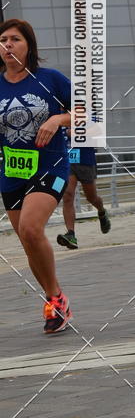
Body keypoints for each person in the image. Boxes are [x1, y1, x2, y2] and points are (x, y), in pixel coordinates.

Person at [0, 18, 72, 333]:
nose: (7, 45)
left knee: (31, 227)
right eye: (3, 40)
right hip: (13, 171)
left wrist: (58, 118)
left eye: (14, 39)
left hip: (51, 165)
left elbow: (90, 111)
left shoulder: (49, 79)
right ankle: (55, 298)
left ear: (28, 45)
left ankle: (55, 301)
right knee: (28, 240)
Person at [56, 142, 111, 249]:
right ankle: (71, 234)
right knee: (67, 196)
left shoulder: (90, 123)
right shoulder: (57, 124)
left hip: (85, 159)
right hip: (67, 159)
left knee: (91, 198)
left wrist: (77, 132)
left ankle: (102, 211)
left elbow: (99, 135)